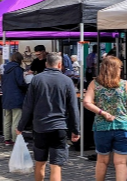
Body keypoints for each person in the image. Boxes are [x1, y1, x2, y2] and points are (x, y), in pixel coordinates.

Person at [17, 52, 80, 181]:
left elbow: (28, 105)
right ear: (60, 64)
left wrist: (21, 126)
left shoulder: (37, 79)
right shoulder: (67, 81)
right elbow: (73, 108)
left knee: (40, 163)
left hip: (40, 127)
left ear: (46, 64)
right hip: (59, 127)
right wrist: (75, 130)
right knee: (56, 166)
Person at [83, 56, 127, 181]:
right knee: (120, 163)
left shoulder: (95, 84)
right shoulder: (125, 85)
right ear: (115, 69)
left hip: (102, 127)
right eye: (120, 67)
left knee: (102, 161)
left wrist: (102, 113)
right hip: (123, 126)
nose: (121, 70)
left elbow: (87, 102)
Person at [1, 52, 28, 145]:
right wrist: (27, 86)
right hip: (16, 97)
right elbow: (21, 83)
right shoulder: (18, 70)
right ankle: (15, 139)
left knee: (7, 119)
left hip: (6, 97)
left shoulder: (5, 69)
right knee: (16, 119)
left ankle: (7, 138)